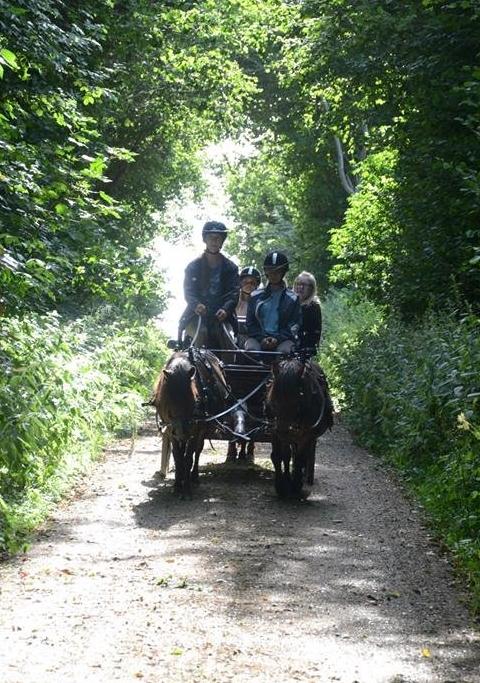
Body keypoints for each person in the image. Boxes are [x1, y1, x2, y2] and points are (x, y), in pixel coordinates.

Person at [180, 221, 239, 348]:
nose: (214, 241)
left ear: (222, 241)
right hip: (196, 316)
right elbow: (188, 291)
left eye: (218, 238)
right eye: (210, 237)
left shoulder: (231, 268)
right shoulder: (193, 267)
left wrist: (226, 309)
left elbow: (234, 293)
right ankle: (195, 366)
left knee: (228, 338)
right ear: (205, 239)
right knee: (201, 333)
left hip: (222, 317)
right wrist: (196, 304)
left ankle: (228, 367)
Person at [245, 251, 301, 354]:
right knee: (251, 351)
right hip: (258, 338)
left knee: (284, 353)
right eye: (270, 270)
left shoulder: (293, 298)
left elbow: (294, 324)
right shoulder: (254, 296)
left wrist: (278, 339)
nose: (273, 274)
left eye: (278, 271)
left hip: (283, 340)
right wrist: (261, 338)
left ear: (283, 272)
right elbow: (250, 323)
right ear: (266, 272)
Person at [294, 271, 322, 354]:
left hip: (303, 349)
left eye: (304, 285)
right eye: (298, 284)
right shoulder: (289, 303)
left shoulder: (313, 306)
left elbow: (314, 333)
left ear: (311, 288)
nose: (300, 287)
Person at [236, 266, 262, 348]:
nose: (249, 285)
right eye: (245, 282)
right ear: (240, 283)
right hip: (233, 338)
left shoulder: (260, 304)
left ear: (257, 285)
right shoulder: (233, 302)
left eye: (252, 283)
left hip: (252, 339)